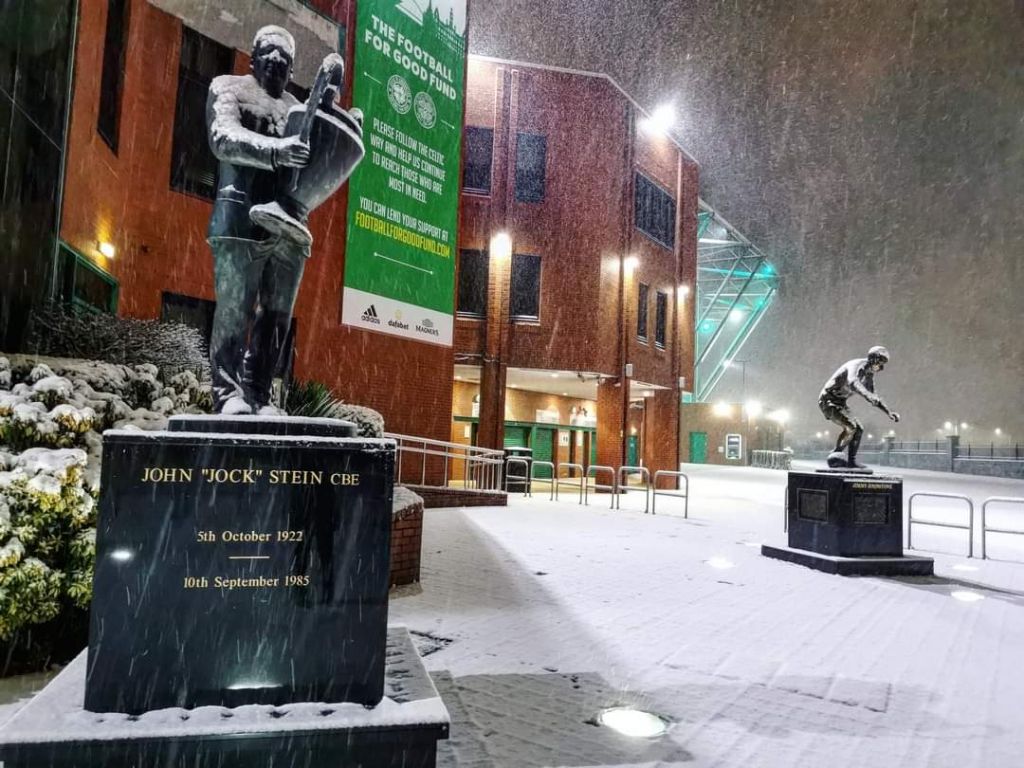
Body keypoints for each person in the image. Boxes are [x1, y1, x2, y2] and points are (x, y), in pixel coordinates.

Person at [205, 25, 311, 415]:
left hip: (288, 228)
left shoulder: (297, 110)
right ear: (253, 58)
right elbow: (223, 138)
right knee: (235, 309)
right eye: (270, 52)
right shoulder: (228, 88)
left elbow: (316, 165)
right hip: (240, 220)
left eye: (286, 59)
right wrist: (276, 151)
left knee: (277, 316)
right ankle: (228, 394)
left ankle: (260, 393)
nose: (278, 62)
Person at [818, 346, 900, 468]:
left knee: (859, 429)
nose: (880, 367)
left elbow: (873, 396)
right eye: (880, 362)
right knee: (851, 426)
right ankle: (835, 456)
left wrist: (888, 412)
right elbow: (853, 382)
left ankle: (852, 461)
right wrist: (868, 395)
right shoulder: (856, 365)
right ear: (874, 359)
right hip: (827, 400)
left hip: (840, 402)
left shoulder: (868, 374)